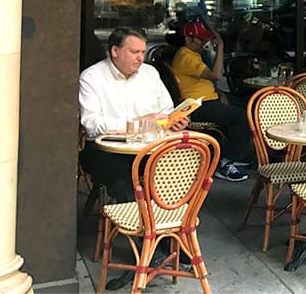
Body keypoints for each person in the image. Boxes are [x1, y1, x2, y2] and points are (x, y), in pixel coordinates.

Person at [79, 28, 190, 203]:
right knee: (123, 184)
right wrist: (134, 124)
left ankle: (167, 222)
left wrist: (175, 121)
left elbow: (167, 110)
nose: (141, 58)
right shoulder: (91, 77)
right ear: (115, 51)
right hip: (106, 148)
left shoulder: (150, 73)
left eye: (143, 52)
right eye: (134, 52)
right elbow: (91, 123)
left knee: (183, 172)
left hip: (149, 147)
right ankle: (139, 226)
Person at [171, 21, 251, 182]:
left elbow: (206, 81)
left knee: (249, 106)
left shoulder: (193, 54)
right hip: (195, 106)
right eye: (200, 39)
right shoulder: (186, 57)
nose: (204, 43)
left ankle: (234, 152)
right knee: (242, 116)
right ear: (188, 39)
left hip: (208, 99)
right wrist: (220, 47)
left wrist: (219, 92)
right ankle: (225, 163)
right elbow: (216, 75)